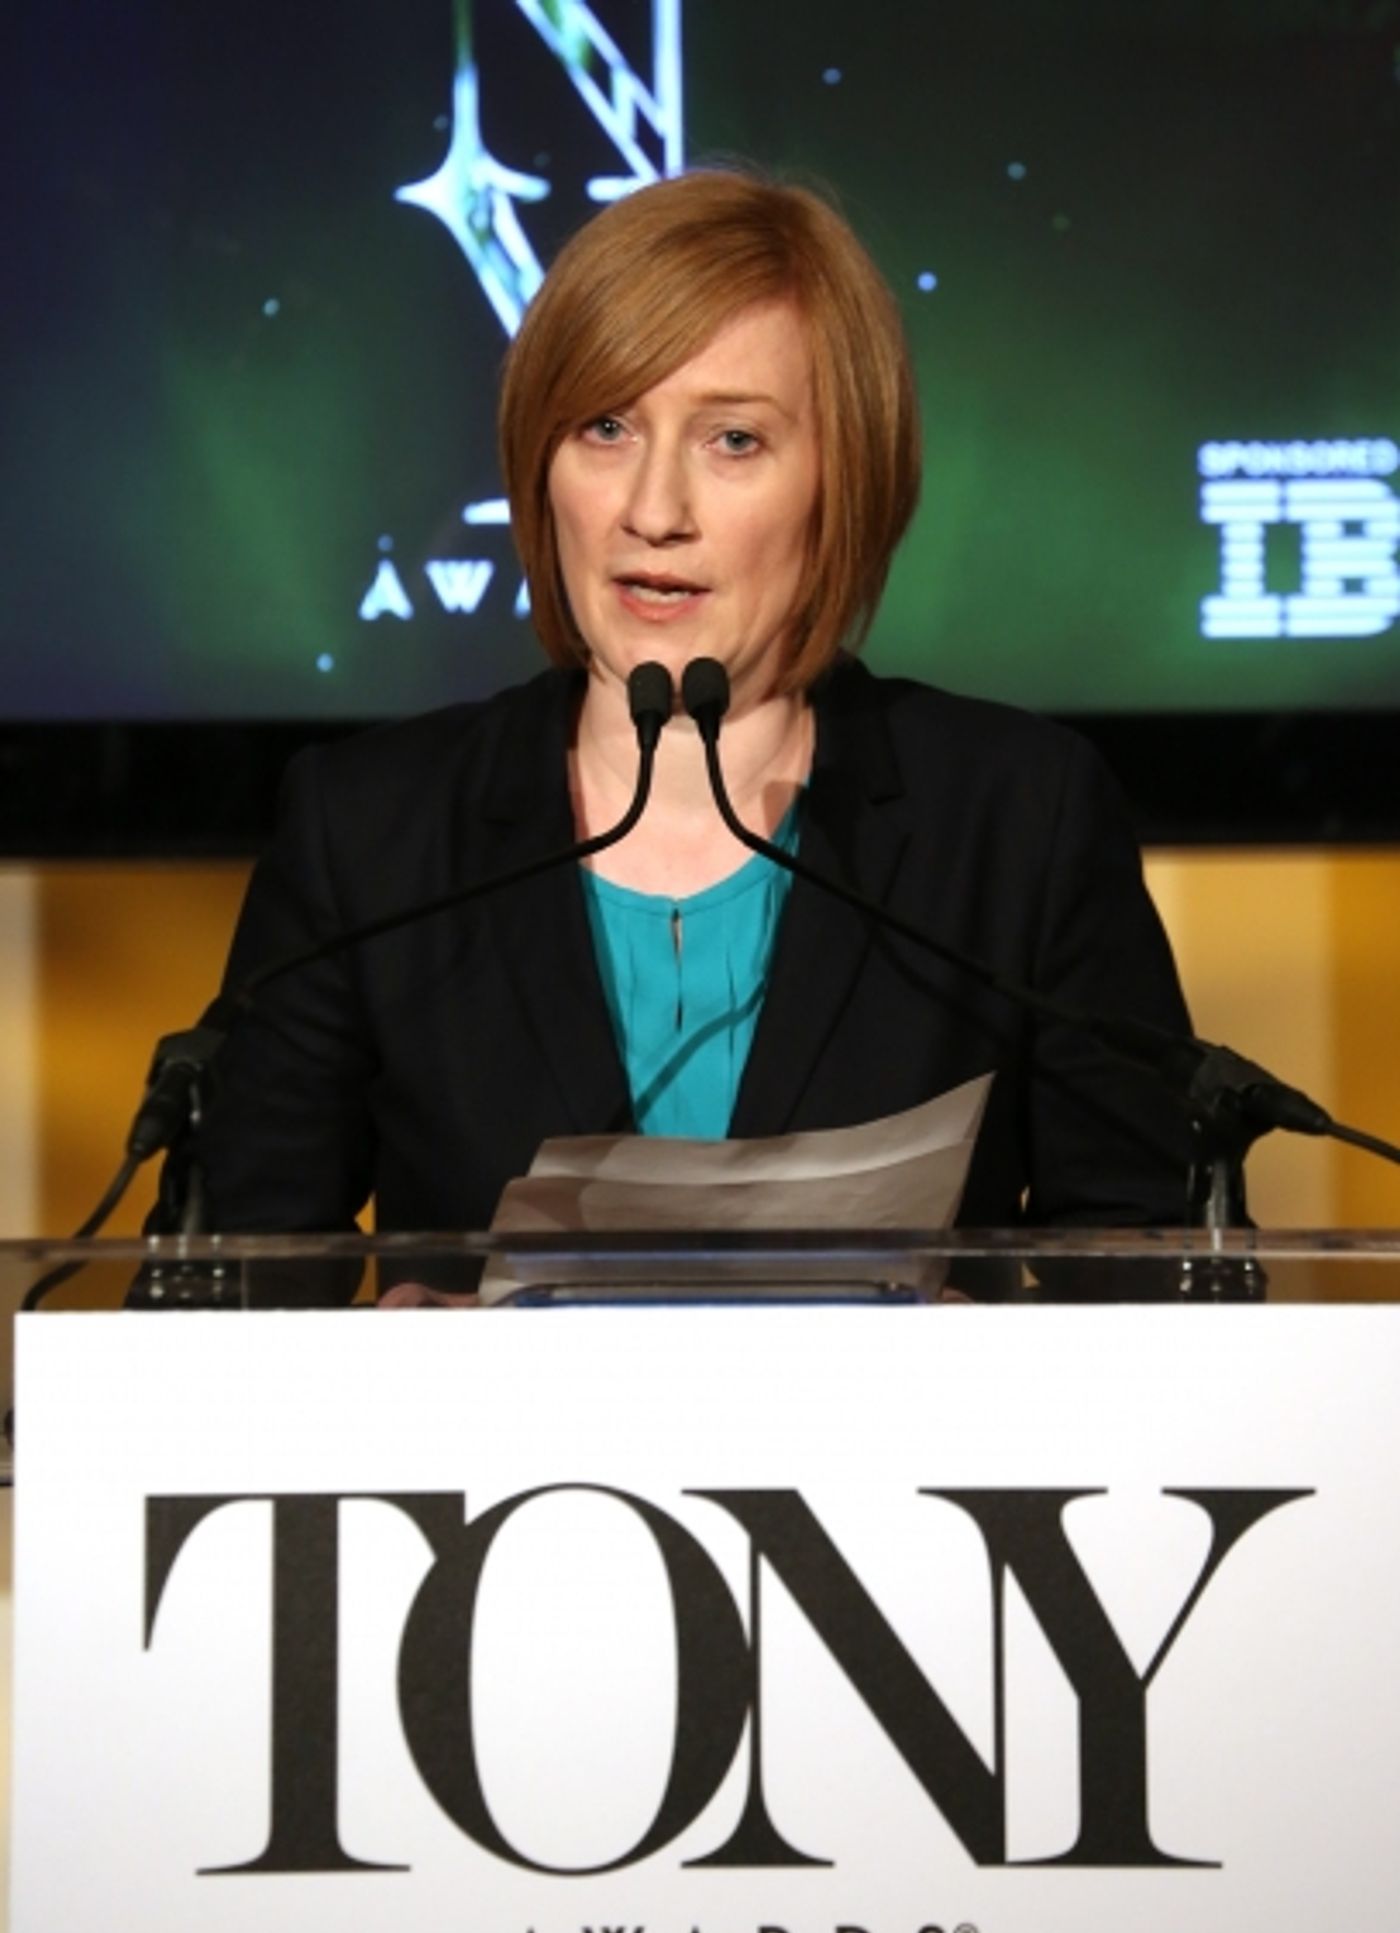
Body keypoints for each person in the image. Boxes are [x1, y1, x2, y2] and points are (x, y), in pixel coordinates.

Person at [186, 168, 1195, 1243]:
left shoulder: (1016, 820)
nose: (651, 511)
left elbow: (1152, 1264)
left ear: (842, 479)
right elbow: (228, 1282)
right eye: (605, 429)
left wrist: (964, 1340)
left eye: (733, 441)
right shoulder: (370, 835)